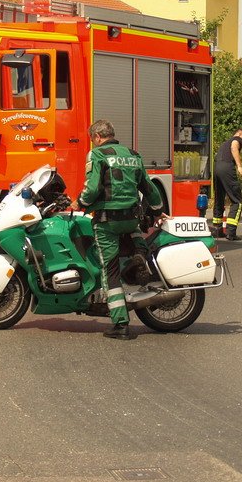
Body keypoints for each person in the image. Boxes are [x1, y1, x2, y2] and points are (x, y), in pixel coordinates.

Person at [77, 119, 167, 341]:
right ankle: (139, 254)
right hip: (130, 219)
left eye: (92, 140)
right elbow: (149, 187)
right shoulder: (132, 154)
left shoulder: (97, 155)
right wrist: (158, 211)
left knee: (110, 271)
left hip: (107, 221)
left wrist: (80, 202)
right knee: (135, 235)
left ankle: (120, 324)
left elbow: (92, 188)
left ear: (97, 137)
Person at [211, 129, 242, 240]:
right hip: (227, 168)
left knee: (219, 199)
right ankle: (231, 233)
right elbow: (234, 146)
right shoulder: (237, 139)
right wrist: (239, 166)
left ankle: (217, 230)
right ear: (240, 134)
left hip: (216, 168)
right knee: (237, 201)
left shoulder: (224, 143)